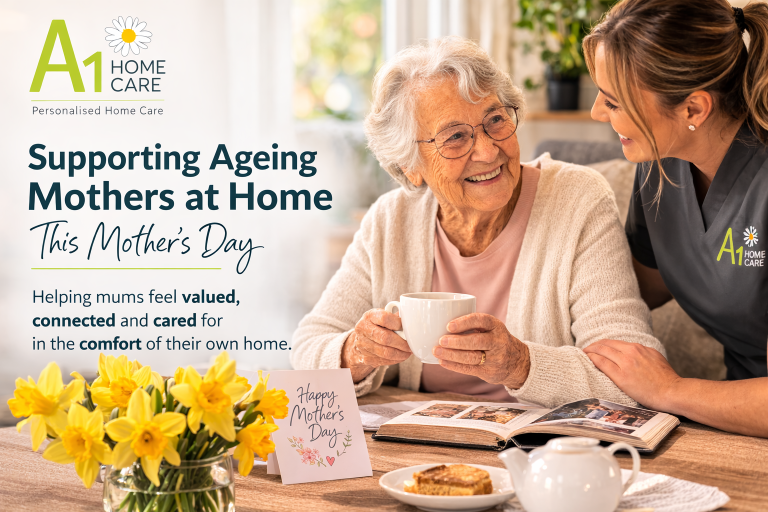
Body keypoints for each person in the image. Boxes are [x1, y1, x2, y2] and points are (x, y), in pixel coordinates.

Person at [291, 37, 663, 408]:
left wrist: (520, 364)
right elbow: (308, 346)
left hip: (540, 440)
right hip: (413, 437)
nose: (487, 151)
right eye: (455, 137)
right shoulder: (391, 221)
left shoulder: (577, 200)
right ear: (410, 166)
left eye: (495, 120)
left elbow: (637, 377)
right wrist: (356, 353)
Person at [582, 0, 768, 437]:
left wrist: (668, 390)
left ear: (693, 110)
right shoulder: (660, 166)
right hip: (729, 426)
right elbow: (629, 292)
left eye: (613, 101)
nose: (596, 113)